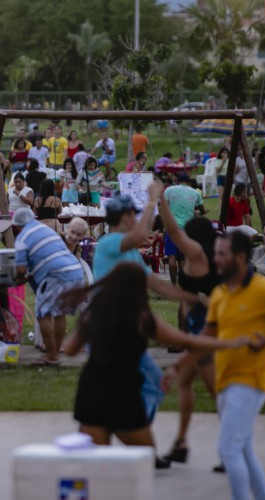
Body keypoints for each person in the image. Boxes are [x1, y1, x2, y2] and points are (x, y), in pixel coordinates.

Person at [164, 231, 265, 499]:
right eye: (215, 253)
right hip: (225, 380)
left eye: (221, 254)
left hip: (251, 381)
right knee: (243, 448)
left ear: (240, 257)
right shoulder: (219, 294)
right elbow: (204, 338)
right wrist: (178, 366)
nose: (215, 258)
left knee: (228, 448)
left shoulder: (264, 291)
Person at [65, 263, 248, 458]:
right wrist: (231, 343)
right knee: (146, 457)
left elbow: (69, 350)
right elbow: (187, 340)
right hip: (123, 393)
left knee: (97, 463)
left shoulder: (94, 313)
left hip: (90, 391)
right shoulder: (142, 318)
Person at [93, 187, 203, 468]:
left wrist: (193, 297)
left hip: (128, 332)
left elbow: (154, 283)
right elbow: (141, 236)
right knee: (137, 387)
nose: (138, 219)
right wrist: (154, 198)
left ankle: (134, 438)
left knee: (152, 385)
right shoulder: (108, 244)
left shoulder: (128, 253)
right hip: (112, 332)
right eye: (134, 214)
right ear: (127, 216)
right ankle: (134, 441)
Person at [158, 195, 221, 465]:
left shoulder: (197, 255)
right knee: (185, 383)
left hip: (205, 333)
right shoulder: (204, 257)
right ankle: (181, 442)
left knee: (216, 391)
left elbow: (172, 230)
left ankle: (233, 448)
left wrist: (159, 199)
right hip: (196, 331)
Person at [13, 208, 85, 365]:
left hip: (55, 274)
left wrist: (19, 278)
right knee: (59, 313)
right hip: (74, 270)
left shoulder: (21, 238)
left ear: (17, 226)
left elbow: (20, 270)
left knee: (43, 313)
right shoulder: (47, 229)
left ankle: (52, 355)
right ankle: (55, 354)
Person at [162, 175, 205, 285]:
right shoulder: (196, 193)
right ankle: (186, 284)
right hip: (187, 229)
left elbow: (163, 208)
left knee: (172, 258)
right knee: (186, 258)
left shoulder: (169, 190)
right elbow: (202, 210)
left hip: (171, 228)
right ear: (189, 183)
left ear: (177, 181)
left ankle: (173, 285)